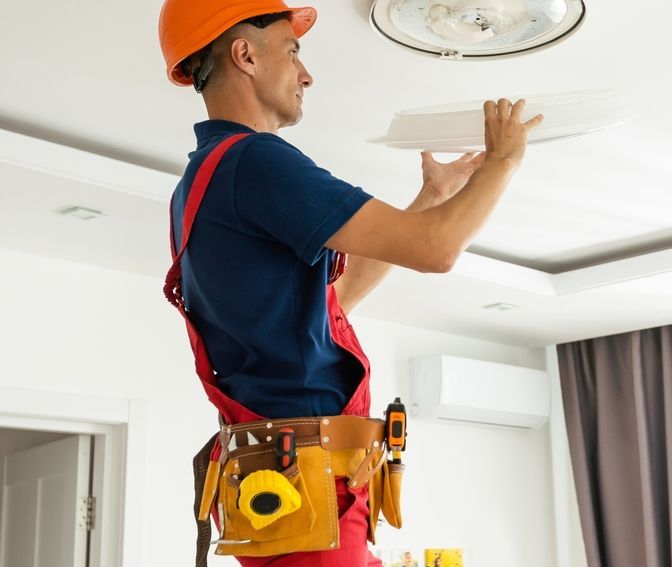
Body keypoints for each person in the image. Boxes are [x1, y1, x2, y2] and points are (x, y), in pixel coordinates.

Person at [157, 1, 543, 566]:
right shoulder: (255, 162)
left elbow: (329, 306)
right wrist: (502, 162)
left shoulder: (201, 183)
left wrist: (433, 198)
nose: (306, 74)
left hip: (298, 492)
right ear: (245, 55)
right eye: (293, 52)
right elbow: (435, 250)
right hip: (305, 487)